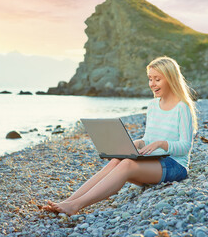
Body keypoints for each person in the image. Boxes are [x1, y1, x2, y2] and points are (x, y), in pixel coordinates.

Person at [43, 56, 198, 216]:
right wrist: (137, 144)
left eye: (157, 79)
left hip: (175, 166)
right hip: (155, 161)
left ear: (171, 78)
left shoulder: (182, 107)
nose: (152, 84)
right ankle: (68, 201)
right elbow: (149, 138)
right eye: (150, 79)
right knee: (117, 160)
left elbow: (186, 146)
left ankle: (75, 206)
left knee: (127, 164)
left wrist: (161, 144)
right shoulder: (152, 105)